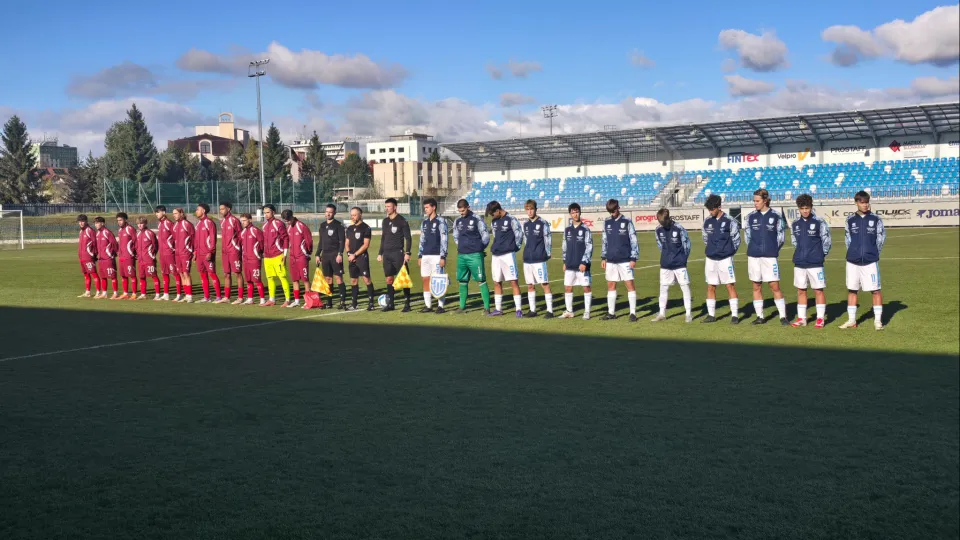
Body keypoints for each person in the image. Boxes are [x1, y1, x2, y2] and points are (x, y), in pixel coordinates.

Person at [840, 191, 886, 330]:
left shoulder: (876, 219)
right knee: (852, 290)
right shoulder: (849, 220)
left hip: (870, 261)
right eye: (862, 203)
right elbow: (848, 240)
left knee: (875, 290)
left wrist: (872, 252)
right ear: (856, 203)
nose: (865, 205)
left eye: (866, 202)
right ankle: (852, 320)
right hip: (852, 261)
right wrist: (854, 252)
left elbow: (881, 239)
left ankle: (877, 321)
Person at [744, 188, 787, 325]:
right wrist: (755, 249)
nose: (755, 203)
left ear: (765, 200)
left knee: (775, 286)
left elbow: (781, 238)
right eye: (754, 201)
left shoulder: (776, 216)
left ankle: (783, 316)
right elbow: (747, 237)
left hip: (770, 257)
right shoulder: (750, 217)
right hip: (754, 257)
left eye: (757, 201)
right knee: (756, 286)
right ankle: (760, 317)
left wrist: (772, 249)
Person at [790, 194, 832, 328]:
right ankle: (802, 318)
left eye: (807, 208)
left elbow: (827, 241)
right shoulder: (795, 224)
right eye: (802, 208)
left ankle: (820, 318)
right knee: (801, 290)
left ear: (811, 207)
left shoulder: (819, 222)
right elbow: (794, 242)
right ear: (798, 209)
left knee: (818, 290)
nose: (805, 211)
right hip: (799, 263)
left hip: (815, 263)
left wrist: (820, 255)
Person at [701, 195, 741, 324]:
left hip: (725, 259)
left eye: (712, 209)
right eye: (709, 209)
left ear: (719, 207)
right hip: (710, 259)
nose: (710, 212)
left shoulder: (730, 221)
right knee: (711, 286)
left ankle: (734, 315)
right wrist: (712, 249)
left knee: (730, 285)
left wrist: (728, 252)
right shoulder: (707, 221)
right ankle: (711, 315)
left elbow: (736, 240)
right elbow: (705, 238)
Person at [652, 208, 693, 323]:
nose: (661, 224)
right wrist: (666, 255)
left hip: (679, 264)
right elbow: (660, 245)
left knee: (685, 287)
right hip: (665, 264)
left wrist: (683, 259)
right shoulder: (658, 230)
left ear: (668, 218)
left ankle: (688, 314)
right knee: (663, 287)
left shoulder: (679, 228)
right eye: (660, 222)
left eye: (663, 222)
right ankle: (661, 313)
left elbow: (687, 245)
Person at [600, 199, 639, 321]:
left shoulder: (627, 221)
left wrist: (633, 257)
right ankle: (611, 313)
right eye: (610, 211)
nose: (612, 213)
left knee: (629, 284)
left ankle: (633, 313)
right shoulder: (606, 222)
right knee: (611, 285)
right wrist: (603, 257)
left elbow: (634, 240)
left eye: (614, 210)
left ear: (618, 208)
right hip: (611, 260)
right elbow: (604, 241)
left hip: (625, 260)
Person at [452, 199, 491, 315]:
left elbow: (486, 235)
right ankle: (462, 307)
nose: (461, 213)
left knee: (481, 280)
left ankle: (487, 308)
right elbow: (455, 236)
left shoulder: (477, 219)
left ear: (468, 207)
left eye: (463, 211)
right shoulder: (457, 221)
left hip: (475, 255)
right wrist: (461, 246)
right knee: (462, 280)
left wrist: (480, 248)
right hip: (462, 255)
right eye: (460, 211)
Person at [486, 200, 523, 317]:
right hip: (496, 255)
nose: (492, 216)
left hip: (508, 255)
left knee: (513, 281)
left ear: (498, 210)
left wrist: (514, 248)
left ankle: (518, 309)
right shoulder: (494, 222)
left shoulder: (511, 219)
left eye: (493, 214)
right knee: (497, 282)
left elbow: (519, 235)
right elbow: (496, 236)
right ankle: (498, 309)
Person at [378, 198, 413, 312]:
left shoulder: (402, 221)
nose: (387, 208)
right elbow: (383, 238)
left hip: (398, 253)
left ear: (395, 207)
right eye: (386, 206)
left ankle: (407, 304)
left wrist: (407, 253)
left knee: (403, 278)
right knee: (389, 279)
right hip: (387, 255)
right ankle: (391, 304)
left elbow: (408, 238)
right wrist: (380, 253)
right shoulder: (385, 221)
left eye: (389, 206)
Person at [522, 199, 554, 318]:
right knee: (530, 285)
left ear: (536, 209)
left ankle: (550, 311)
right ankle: (532, 310)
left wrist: (548, 252)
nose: (529, 212)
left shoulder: (542, 223)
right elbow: (526, 240)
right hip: (527, 259)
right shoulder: (525, 224)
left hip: (539, 259)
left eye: (531, 209)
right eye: (527, 209)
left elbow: (548, 239)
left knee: (544, 284)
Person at [560, 203, 593, 320]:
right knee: (568, 287)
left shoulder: (585, 229)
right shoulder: (567, 230)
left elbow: (589, 247)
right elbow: (564, 247)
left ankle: (587, 312)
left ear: (580, 212)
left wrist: (584, 262)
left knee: (586, 287)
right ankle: (569, 311)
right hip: (570, 264)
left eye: (577, 212)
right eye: (573, 212)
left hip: (582, 265)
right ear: (570, 214)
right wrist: (565, 261)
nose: (575, 214)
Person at [418, 198, 448, 314]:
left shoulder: (441, 221)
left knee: (438, 280)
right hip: (425, 255)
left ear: (434, 207)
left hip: (437, 256)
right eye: (424, 208)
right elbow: (422, 240)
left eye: (427, 207)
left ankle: (441, 306)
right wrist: (420, 255)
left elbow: (444, 239)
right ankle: (428, 305)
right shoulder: (424, 223)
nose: (425, 209)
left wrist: (443, 256)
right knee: (425, 279)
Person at [315, 204, 347, 310]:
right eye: (327, 211)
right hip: (325, 255)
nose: (328, 214)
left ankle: (342, 302)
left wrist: (340, 254)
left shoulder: (338, 225)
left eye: (330, 212)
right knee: (328, 278)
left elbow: (342, 241)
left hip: (335, 255)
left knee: (338, 277)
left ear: (334, 213)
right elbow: (321, 241)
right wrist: (317, 254)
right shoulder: (322, 225)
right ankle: (329, 302)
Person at [345, 207, 376, 311]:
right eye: (351, 215)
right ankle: (354, 304)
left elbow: (366, 245)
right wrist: (349, 254)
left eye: (354, 215)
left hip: (362, 258)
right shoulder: (349, 228)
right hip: (352, 258)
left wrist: (355, 255)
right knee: (353, 280)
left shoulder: (366, 228)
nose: (352, 217)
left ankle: (371, 303)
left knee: (366, 279)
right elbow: (347, 243)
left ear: (360, 215)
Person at [282, 209, 313, 308]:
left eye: (288, 220)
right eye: (285, 221)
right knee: (294, 279)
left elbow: (309, 241)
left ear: (292, 217)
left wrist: (307, 253)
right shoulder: (288, 228)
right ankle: (296, 301)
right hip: (292, 257)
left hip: (302, 257)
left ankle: (308, 301)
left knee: (305, 279)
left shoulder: (301, 226)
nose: (287, 222)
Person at [261, 204, 291, 307]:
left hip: (278, 255)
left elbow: (286, 238)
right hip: (267, 257)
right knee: (269, 278)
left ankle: (287, 300)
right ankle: (271, 299)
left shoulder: (278, 223)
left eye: (268, 212)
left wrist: (285, 254)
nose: (266, 215)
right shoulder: (264, 225)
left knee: (282, 277)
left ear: (273, 212)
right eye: (264, 213)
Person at [193, 203, 222, 303]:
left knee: (212, 274)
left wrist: (210, 251)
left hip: (207, 254)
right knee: (203, 275)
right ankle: (206, 297)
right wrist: (195, 252)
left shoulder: (209, 223)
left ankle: (218, 297)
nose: (196, 211)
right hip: (199, 254)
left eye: (198, 209)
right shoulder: (198, 224)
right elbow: (196, 240)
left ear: (203, 211)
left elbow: (213, 239)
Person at [217, 202, 243, 304]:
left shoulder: (234, 220)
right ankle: (226, 297)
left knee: (237, 273)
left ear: (228, 209)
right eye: (220, 209)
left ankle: (240, 297)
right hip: (225, 252)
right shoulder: (222, 221)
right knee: (226, 274)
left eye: (222, 209)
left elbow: (241, 235)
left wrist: (239, 248)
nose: (221, 211)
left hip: (234, 251)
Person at [238, 213, 266, 306]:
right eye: (241, 221)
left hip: (254, 259)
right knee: (248, 280)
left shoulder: (255, 230)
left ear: (250, 220)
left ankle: (262, 299)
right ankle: (250, 299)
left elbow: (262, 243)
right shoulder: (243, 232)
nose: (243, 222)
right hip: (245, 260)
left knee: (257, 280)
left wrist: (259, 253)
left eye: (244, 220)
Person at [172, 207, 195, 303]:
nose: (174, 215)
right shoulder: (175, 225)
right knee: (181, 273)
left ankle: (189, 296)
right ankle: (186, 294)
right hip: (177, 253)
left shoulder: (187, 224)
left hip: (186, 253)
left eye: (176, 213)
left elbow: (193, 238)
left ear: (181, 213)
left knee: (186, 273)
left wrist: (194, 251)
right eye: (173, 214)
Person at [155, 205, 178, 301]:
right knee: (164, 273)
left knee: (175, 273)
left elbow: (176, 237)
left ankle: (179, 294)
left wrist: (173, 249)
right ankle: (166, 294)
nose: (156, 214)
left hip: (169, 253)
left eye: (158, 212)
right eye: (155, 212)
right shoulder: (159, 224)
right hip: (162, 253)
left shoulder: (169, 223)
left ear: (163, 212)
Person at [135, 216, 161, 300]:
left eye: (141, 223)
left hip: (149, 259)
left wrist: (152, 255)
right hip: (140, 260)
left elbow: (155, 246)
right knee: (142, 277)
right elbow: (136, 246)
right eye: (138, 224)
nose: (140, 225)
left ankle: (157, 294)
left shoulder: (150, 233)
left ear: (145, 224)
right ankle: (143, 294)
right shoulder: (138, 234)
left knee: (154, 276)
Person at [93, 216, 119, 299]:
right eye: (95, 223)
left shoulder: (107, 232)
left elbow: (114, 244)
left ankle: (115, 293)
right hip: (101, 259)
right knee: (103, 277)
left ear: (102, 223)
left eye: (97, 223)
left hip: (108, 258)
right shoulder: (97, 233)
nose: (96, 225)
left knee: (112, 276)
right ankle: (104, 293)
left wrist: (113, 254)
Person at [76, 214, 100, 298]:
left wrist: (94, 254)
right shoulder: (81, 231)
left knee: (94, 274)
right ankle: (88, 292)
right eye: (79, 221)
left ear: (86, 221)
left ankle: (98, 292)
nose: (81, 223)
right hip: (82, 257)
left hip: (88, 257)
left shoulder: (90, 230)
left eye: (82, 221)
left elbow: (95, 243)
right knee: (86, 275)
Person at [115, 212, 137, 300]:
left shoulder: (130, 229)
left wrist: (134, 253)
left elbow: (136, 242)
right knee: (123, 275)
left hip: (129, 256)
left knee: (132, 275)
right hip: (121, 257)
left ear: (125, 219)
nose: (119, 222)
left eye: (120, 220)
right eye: (118, 220)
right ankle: (125, 293)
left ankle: (134, 294)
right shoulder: (120, 230)